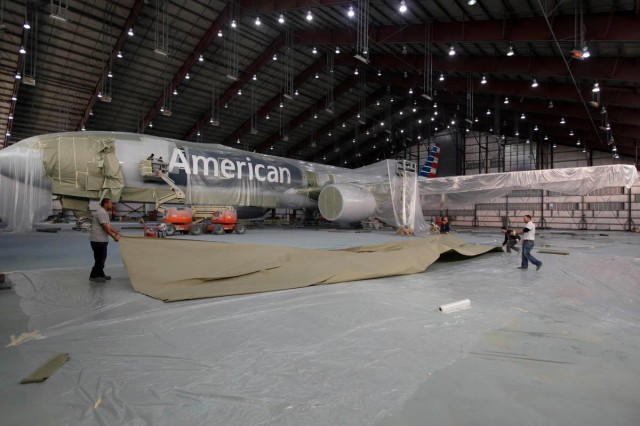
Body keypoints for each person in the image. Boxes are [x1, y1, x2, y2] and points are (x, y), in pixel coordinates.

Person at [89, 198, 121, 282]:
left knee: (100, 258)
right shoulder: (102, 212)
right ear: (105, 204)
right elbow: (105, 227)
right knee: (100, 259)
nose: (112, 205)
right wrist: (114, 237)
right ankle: (94, 276)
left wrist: (117, 232)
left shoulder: (104, 212)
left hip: (100, 239)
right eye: (111, 203)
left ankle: (100, 274)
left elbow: (108, 226)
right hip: (98, 240)